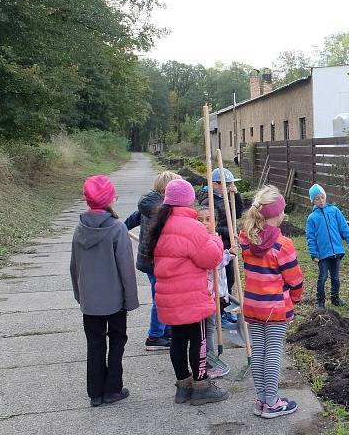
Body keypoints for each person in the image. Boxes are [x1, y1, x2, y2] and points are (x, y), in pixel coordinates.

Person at [147, 178, 229, 405]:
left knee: (178, 340)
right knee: (199, 339)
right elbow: (211, 258)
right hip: (192, 297)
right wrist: (215, 240)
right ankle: (201, 386)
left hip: (169, 296)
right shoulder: (192, 227)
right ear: (189, 202)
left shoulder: (160, 225)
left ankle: (183, 386)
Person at [70, 175, 139, 407]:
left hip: (90, 301)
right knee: (117, 341)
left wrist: (80, 295)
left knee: (95, 343)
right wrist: (131, 300)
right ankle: (113, 388)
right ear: (112, 198)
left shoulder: (80, 228)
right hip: (115, 300)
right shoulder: (117, 228)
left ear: (86, 199)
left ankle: (95, 393)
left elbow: (74, 265)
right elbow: (126, 268)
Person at [238, 185, 303, 419]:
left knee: (259, 352)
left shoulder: (245, 238)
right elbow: (294, 279)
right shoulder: (282, 244)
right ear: (279, 213)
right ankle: (273, 402)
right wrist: (295, 298)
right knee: (273, 353)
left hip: (253, 305)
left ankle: (262, 401)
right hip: (275, 307)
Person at [123, 171, 181, 351]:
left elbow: (125, 225)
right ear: (168, 190)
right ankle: (155, 336)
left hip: (149, 261)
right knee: (161, 299)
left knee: (164, 296)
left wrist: (117, 229)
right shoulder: (164, 210)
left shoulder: (146, 206)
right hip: (157, 261)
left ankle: (166, 330)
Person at [200, 167, 243, 325]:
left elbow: (237, 213)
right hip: (219, 243)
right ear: (216, 184)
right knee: (219, 280)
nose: (230, 186)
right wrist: (229, 233)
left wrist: (236, 196)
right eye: (228, 184)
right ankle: (220, 312)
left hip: (227, 243)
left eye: (232, 184)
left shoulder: (225, 196)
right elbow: (213, 227)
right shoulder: (209, 201)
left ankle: (225, 308)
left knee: (229, 278)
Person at [305, 183, 349, 310]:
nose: (321, 200)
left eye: (322, 197)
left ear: (325, 196)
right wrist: (314, 254)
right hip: (323, 254)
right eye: (317, 198)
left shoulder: (334, 211)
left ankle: (335, 298)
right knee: (322, 277)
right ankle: (320, 301)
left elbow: (344, 228)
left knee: (335, 277)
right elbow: (310, 238)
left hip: (337, 252)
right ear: (313, 201)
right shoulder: (312, 218)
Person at [195, 206, 232, 379]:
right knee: (209, 328)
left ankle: (208, 360)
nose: (204, 223)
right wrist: (228, 255)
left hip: (216, 291)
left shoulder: (215, 237)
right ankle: (208, 362)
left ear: (215, 222)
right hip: (207, 292)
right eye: (200, 220)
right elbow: (213, 263)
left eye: (208, 219)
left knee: (211, 327)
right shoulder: (203, 240)